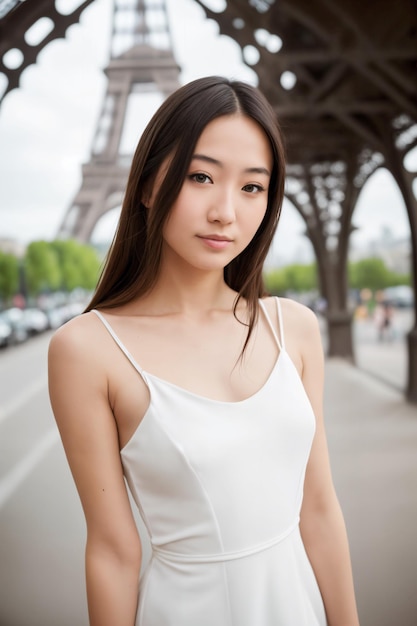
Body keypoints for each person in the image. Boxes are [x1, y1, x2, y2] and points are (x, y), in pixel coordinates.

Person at [48, 76, 360, 626]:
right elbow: (114, 552)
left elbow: (319, 509)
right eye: (200, 177)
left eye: (252, 187)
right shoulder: (88, 350)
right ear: (147, 186)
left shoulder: (295, 328)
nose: (225, 211)